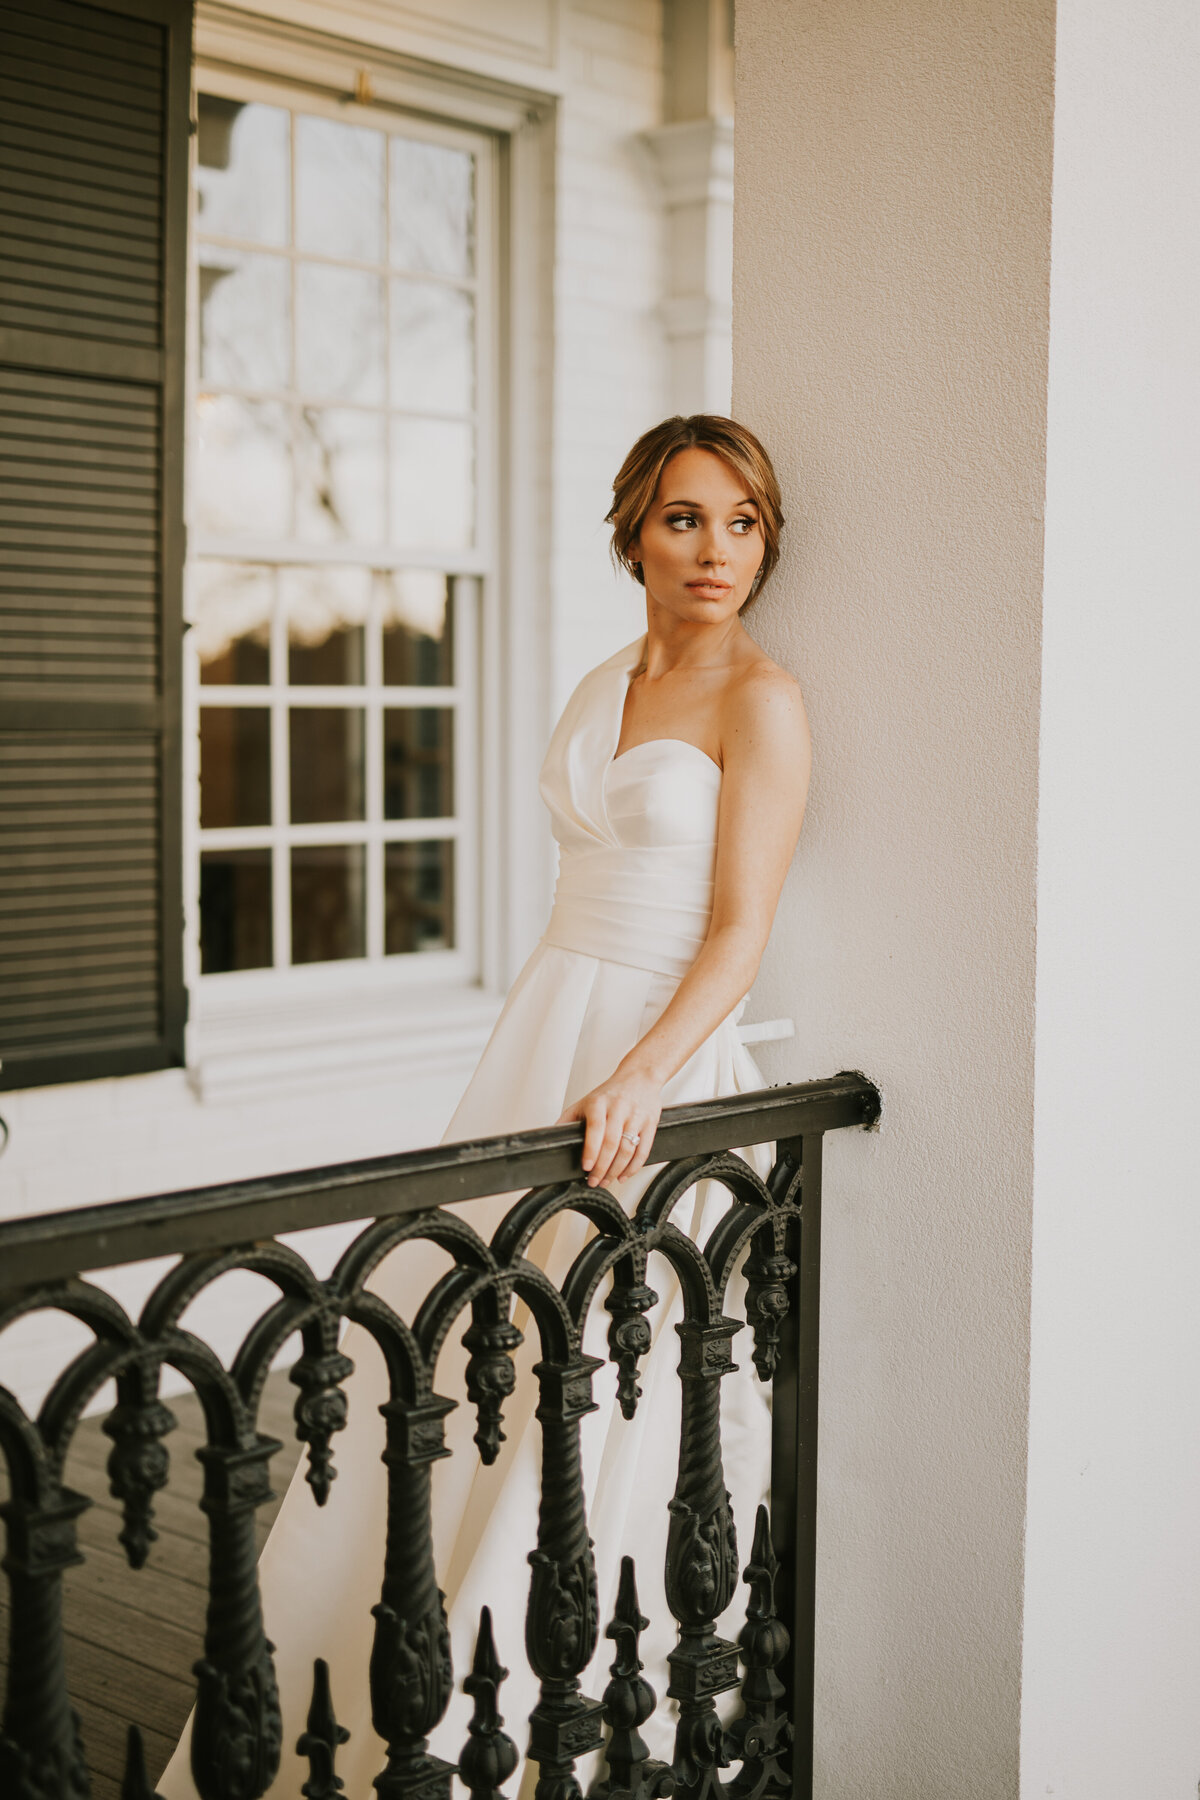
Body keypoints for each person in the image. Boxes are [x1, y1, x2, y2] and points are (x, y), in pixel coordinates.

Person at [159, 414, 811, 1798]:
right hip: (545, 1028)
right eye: (687, 518)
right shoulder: (599, 683)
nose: (717, 551)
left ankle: (536, 1719)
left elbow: (741, 932)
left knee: (596, 1384)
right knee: (474, 1352)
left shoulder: (764, 700)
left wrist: (640, 1074)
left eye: (744, 521)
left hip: (649, 1061)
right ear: (635, 527)